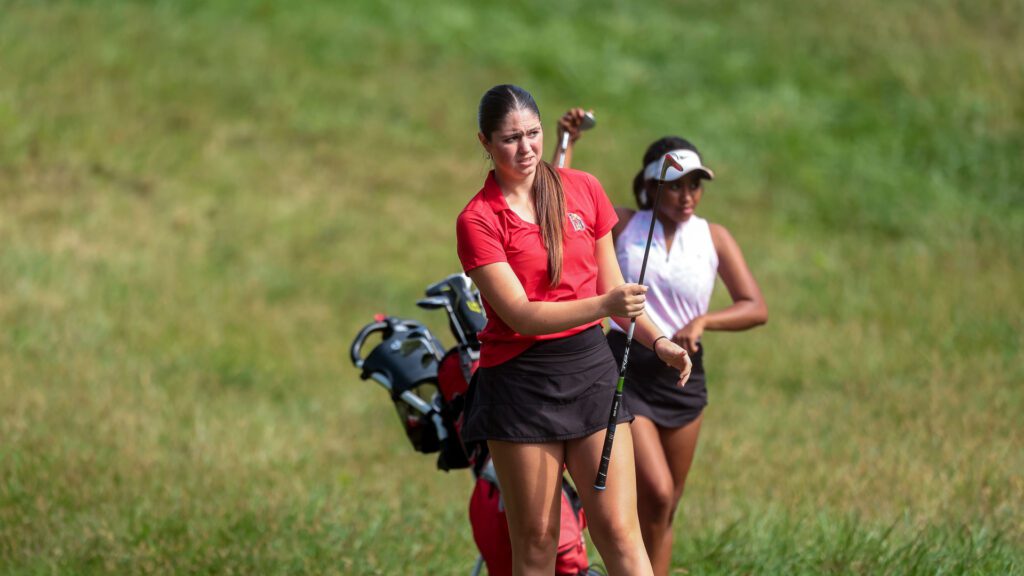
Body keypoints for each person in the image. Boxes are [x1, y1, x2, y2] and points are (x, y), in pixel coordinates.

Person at [456, 85, 692, 576]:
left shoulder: (583, 188)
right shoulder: (477, 220)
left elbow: (617, 292)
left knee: (622, 536)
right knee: (539, 544)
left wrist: (659, 341)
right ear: (485, 142)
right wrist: (604, 305)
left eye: (533, 134)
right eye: (509, 139)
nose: (525, 149)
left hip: (590, 373)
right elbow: (520, 315)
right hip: (520, 385)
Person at [556, 108, 768, 575]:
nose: (688, 195)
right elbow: (563, 216)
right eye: (676, 185)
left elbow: (755, 305)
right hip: (627, 367)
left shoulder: (713, 236)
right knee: (656, 489)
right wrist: (565, 144)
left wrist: (705, 322)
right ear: (652, 186)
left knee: (665, 507)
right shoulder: (627, 224)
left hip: (684, 374)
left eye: (695, 185)